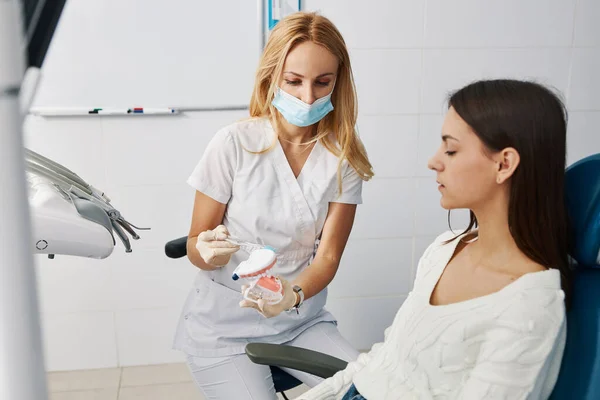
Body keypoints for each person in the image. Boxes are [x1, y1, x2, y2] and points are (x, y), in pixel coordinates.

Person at [298, 79, 572, 399]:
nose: (434, 161)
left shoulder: (529, 307)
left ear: (504, 164)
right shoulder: (445, 249)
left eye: (451, 149)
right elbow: (385, 361)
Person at [172, 11, 374, 399]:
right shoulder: (234, 143)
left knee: (368, 392)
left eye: (322, 82)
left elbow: (328, 258)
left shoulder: (343, 157)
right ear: (272, 77)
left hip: (300, 320)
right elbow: (197, 243)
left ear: (338, 82)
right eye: (294, 81)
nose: (308, 96)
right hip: (224, 327)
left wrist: (292, 295)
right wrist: (207, 251)